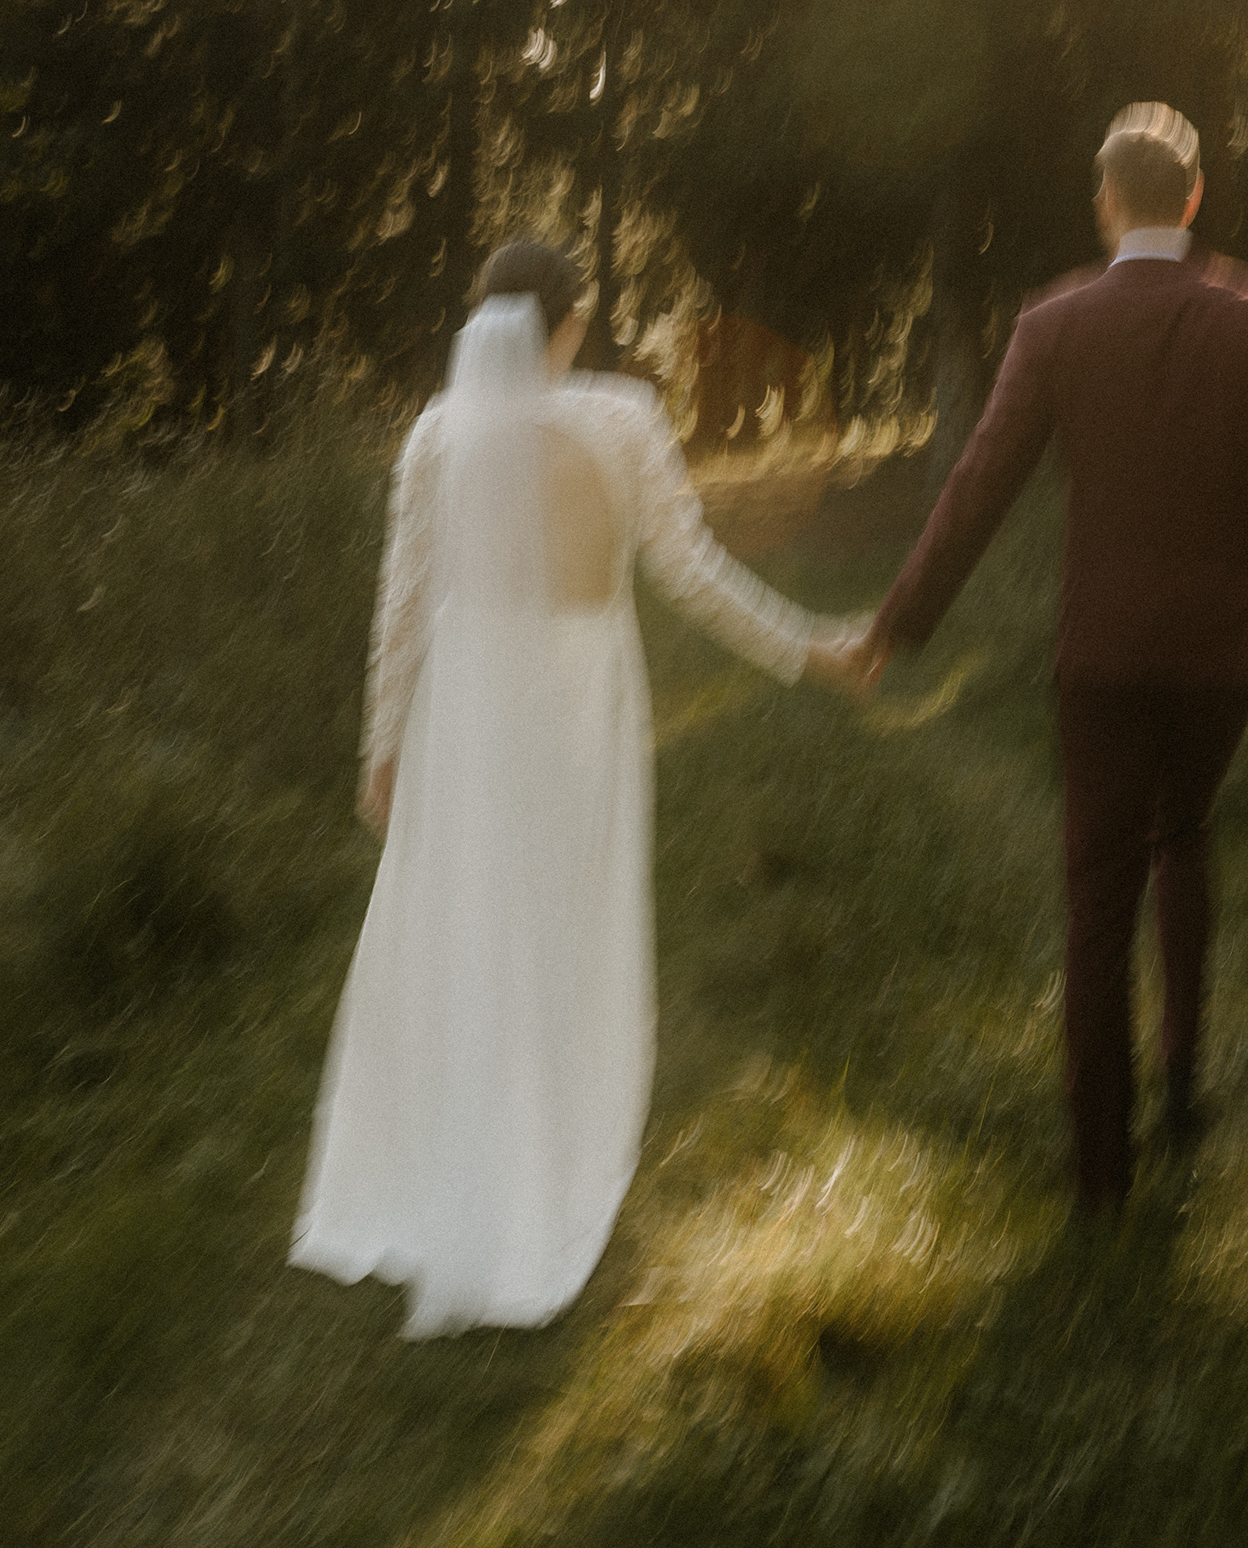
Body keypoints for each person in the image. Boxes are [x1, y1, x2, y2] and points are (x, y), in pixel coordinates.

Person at [291, 238, 862, 1335]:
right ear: (570, 323)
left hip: (463, 703)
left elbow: (403, 604)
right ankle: (543, 1159)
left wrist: (382, 747)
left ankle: (457, 1168)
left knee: (470, 929)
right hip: (575, 700)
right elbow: (691, 573)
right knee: (565, 925)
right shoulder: (622, 419)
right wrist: (806, 647)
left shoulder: (437, 432)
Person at [845, 104, 1248, 1212]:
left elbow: (978, 485)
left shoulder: (1054, 325)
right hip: (1221, 655)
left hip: (1104, 657)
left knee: (1097, 898)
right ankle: (1182, 1079)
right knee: (1185, 834)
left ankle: (1103, 1181)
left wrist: (899, 622)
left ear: (1107, 204)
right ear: (1194, 198)